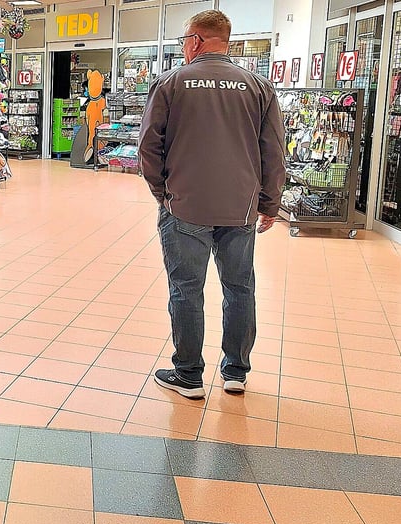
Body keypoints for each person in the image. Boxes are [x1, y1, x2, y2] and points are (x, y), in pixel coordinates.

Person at [137, 9, 285, 399]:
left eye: (185, 40)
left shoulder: (171, 84)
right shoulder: (258, 87)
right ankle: (235, 371)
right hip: (240, 207)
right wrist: (269, 202)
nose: (184, 47)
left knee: (187, 288)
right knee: (240, 288)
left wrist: (162, 192)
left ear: (196, 40)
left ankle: (188, 375)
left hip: (185, 204)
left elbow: (149, 147)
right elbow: (273, 152)